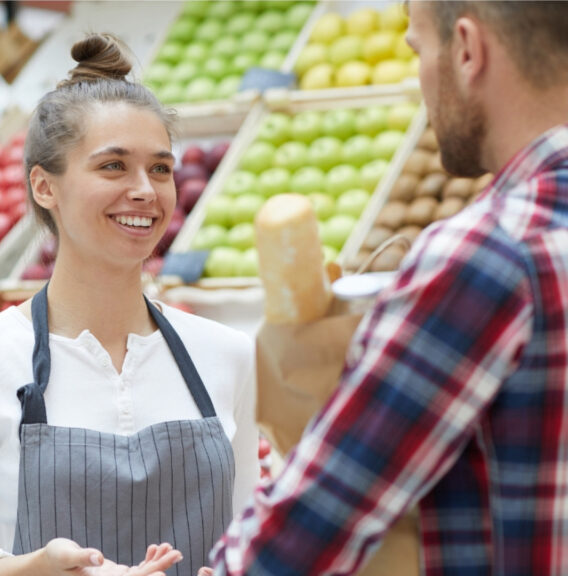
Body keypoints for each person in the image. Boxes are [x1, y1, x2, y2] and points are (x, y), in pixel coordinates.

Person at [211, 2, 568, 574]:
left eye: (418, 49)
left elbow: (297, 540)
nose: (419, 77)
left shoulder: (490, 253)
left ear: (468, 49)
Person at [0, 33, 259, 576]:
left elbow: (248, 539)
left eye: (160, 169)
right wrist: (21, 570)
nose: (145, 190)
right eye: (113, 167)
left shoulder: (227, 356)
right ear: (44, 186)